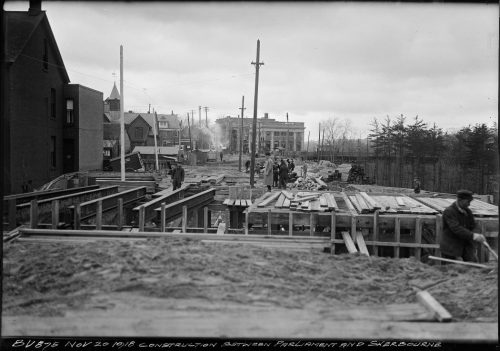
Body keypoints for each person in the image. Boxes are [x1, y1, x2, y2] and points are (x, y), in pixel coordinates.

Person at [440, 189, 486, 262]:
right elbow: (456, 228)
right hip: (451, 248)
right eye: (468, 201)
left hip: (466, 247)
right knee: (452, 271)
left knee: (473, 265)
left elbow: (474, 225)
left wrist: (477, 234)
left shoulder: (468, 211)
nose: (469, 204)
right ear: (460, 200)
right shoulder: (449, 212)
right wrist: (473, 236)